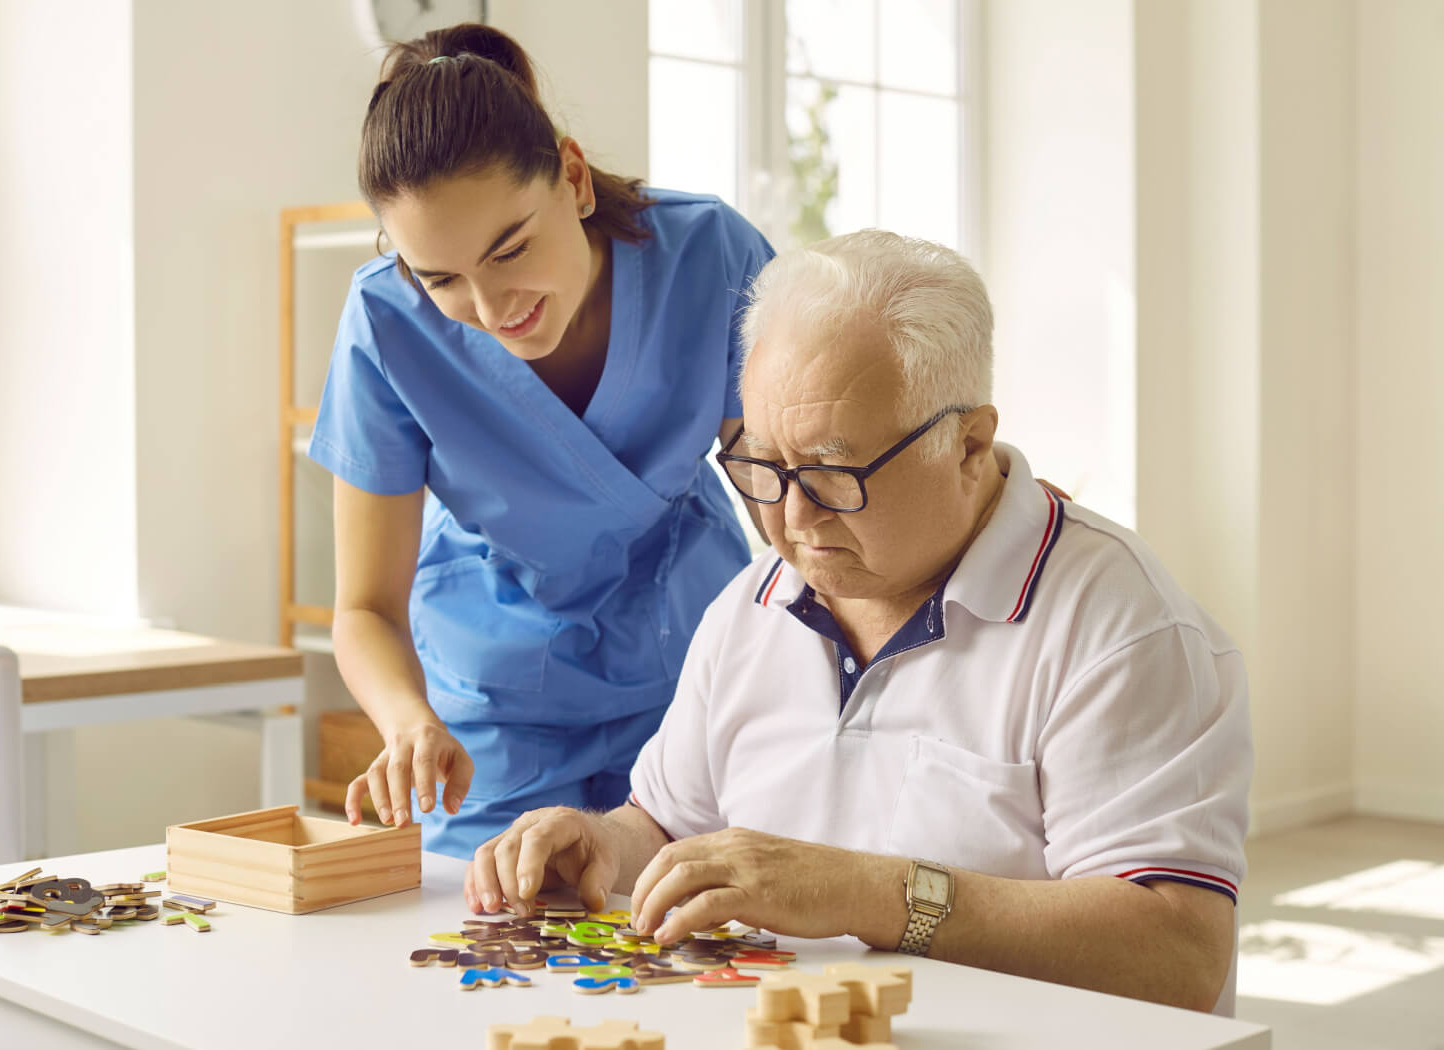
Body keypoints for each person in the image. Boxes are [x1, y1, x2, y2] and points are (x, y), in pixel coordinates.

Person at [463, 231, 1254, 1015]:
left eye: (834, 474)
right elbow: (671, 826)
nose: (792, 518)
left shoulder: (1119, 626)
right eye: (763, 467)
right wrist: (602, 848)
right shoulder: (751, 605)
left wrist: (869, 892)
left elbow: (1179, 953)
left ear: (968, 444)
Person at [308, 23, 775, 858]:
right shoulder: (385, 322)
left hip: (692, 676)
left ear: (571, 175)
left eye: (510, 248)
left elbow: (794, 510)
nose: (492, 309)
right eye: (442, 279)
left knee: (701, 940)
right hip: (498, 709)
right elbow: (365, 609)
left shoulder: (711, 255)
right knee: (493, 932)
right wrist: (409, 723)